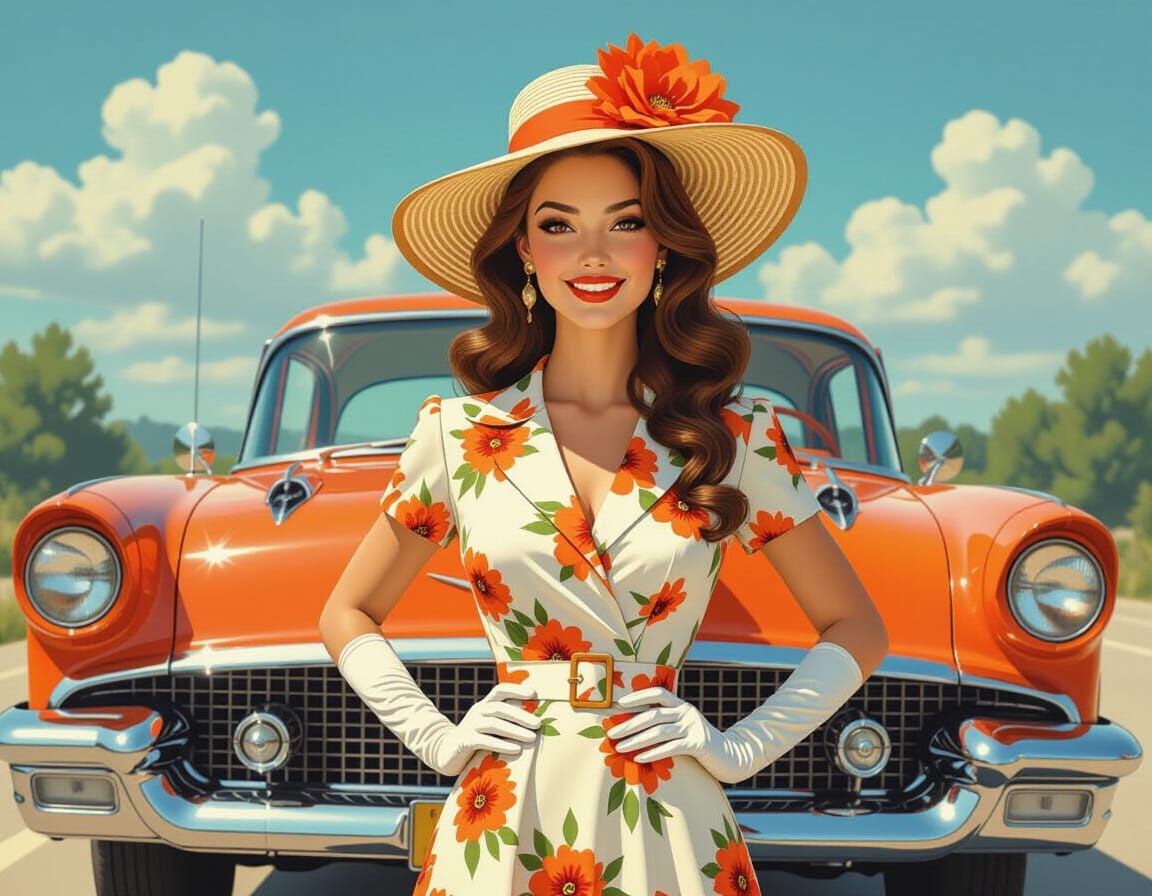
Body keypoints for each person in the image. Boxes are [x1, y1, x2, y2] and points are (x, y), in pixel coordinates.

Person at [319, 32, 889, 896]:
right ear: (522, 250)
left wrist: (735, 749)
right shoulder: (457, 431)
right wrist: (438, 738)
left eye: (627, 222)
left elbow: (858, 626)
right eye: (558, 225)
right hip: (503, 813)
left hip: (672, 814)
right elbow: (347, 611)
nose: (594, 254)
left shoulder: (734, 432)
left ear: (664, 248)